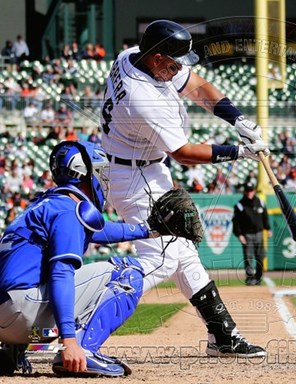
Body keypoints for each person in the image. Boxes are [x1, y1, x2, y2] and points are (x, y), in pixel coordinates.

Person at [100, 19, 269, 357]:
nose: (178, 70)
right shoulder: (142, 98)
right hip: (136, 177)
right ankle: (79, 310)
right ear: (158, 58)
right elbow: (183, 153)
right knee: (163, 259)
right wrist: (238, 152)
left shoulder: (135, 55)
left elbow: (196, 85)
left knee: (185, 255)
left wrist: (237, 119)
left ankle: (223, 335)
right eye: (173, 64)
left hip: (143, 169)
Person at [0, 141, 159, 377]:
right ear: (83, 172)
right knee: (128, 272)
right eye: (100, 170)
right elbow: (61, 273)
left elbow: (99, 230)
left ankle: (13, 349)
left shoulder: (45, 205)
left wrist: (149, 229)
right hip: (23, 315)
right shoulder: (68, 210)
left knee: (43, 288)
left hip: (8, 324)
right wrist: (69, 340)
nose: (103, 177)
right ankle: (84, 349)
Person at [232, 182, 272, 285]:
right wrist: (239, 235)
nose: (250, 193)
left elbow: (265, 217)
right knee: (248, 257)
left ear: (254, 191)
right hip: (247, 235)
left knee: (261, 256)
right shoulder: (240, 205)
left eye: (251, 190)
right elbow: (236, 222)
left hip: (259, 233)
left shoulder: (260, 202)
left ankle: (258, 277)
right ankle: (250, 278)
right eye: (248, 191)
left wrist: (268, 228)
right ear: (245, 192)